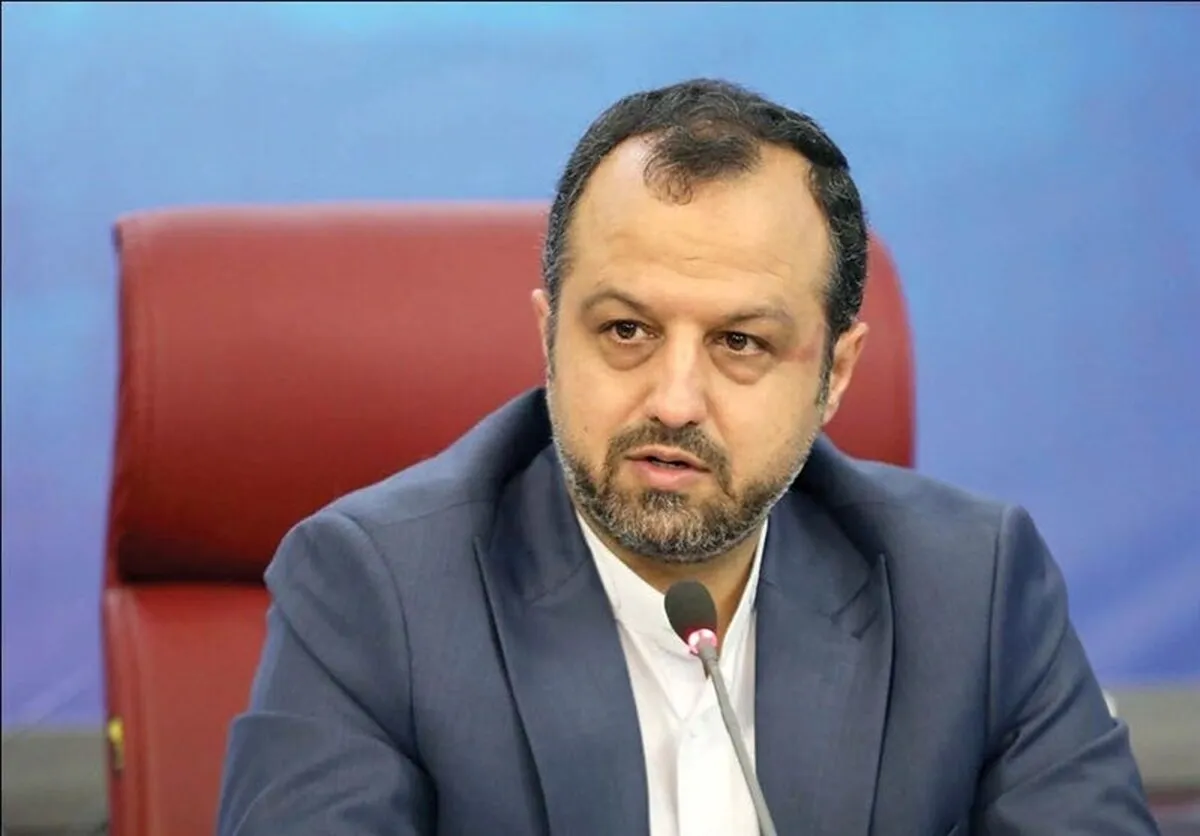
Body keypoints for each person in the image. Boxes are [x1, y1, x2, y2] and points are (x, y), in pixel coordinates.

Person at [216, 78, 1159, 835]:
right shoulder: (378, 592)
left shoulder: (973, 588)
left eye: (740, 343)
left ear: (834, 374)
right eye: (625, 331)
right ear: (549, 339)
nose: (674, 399)